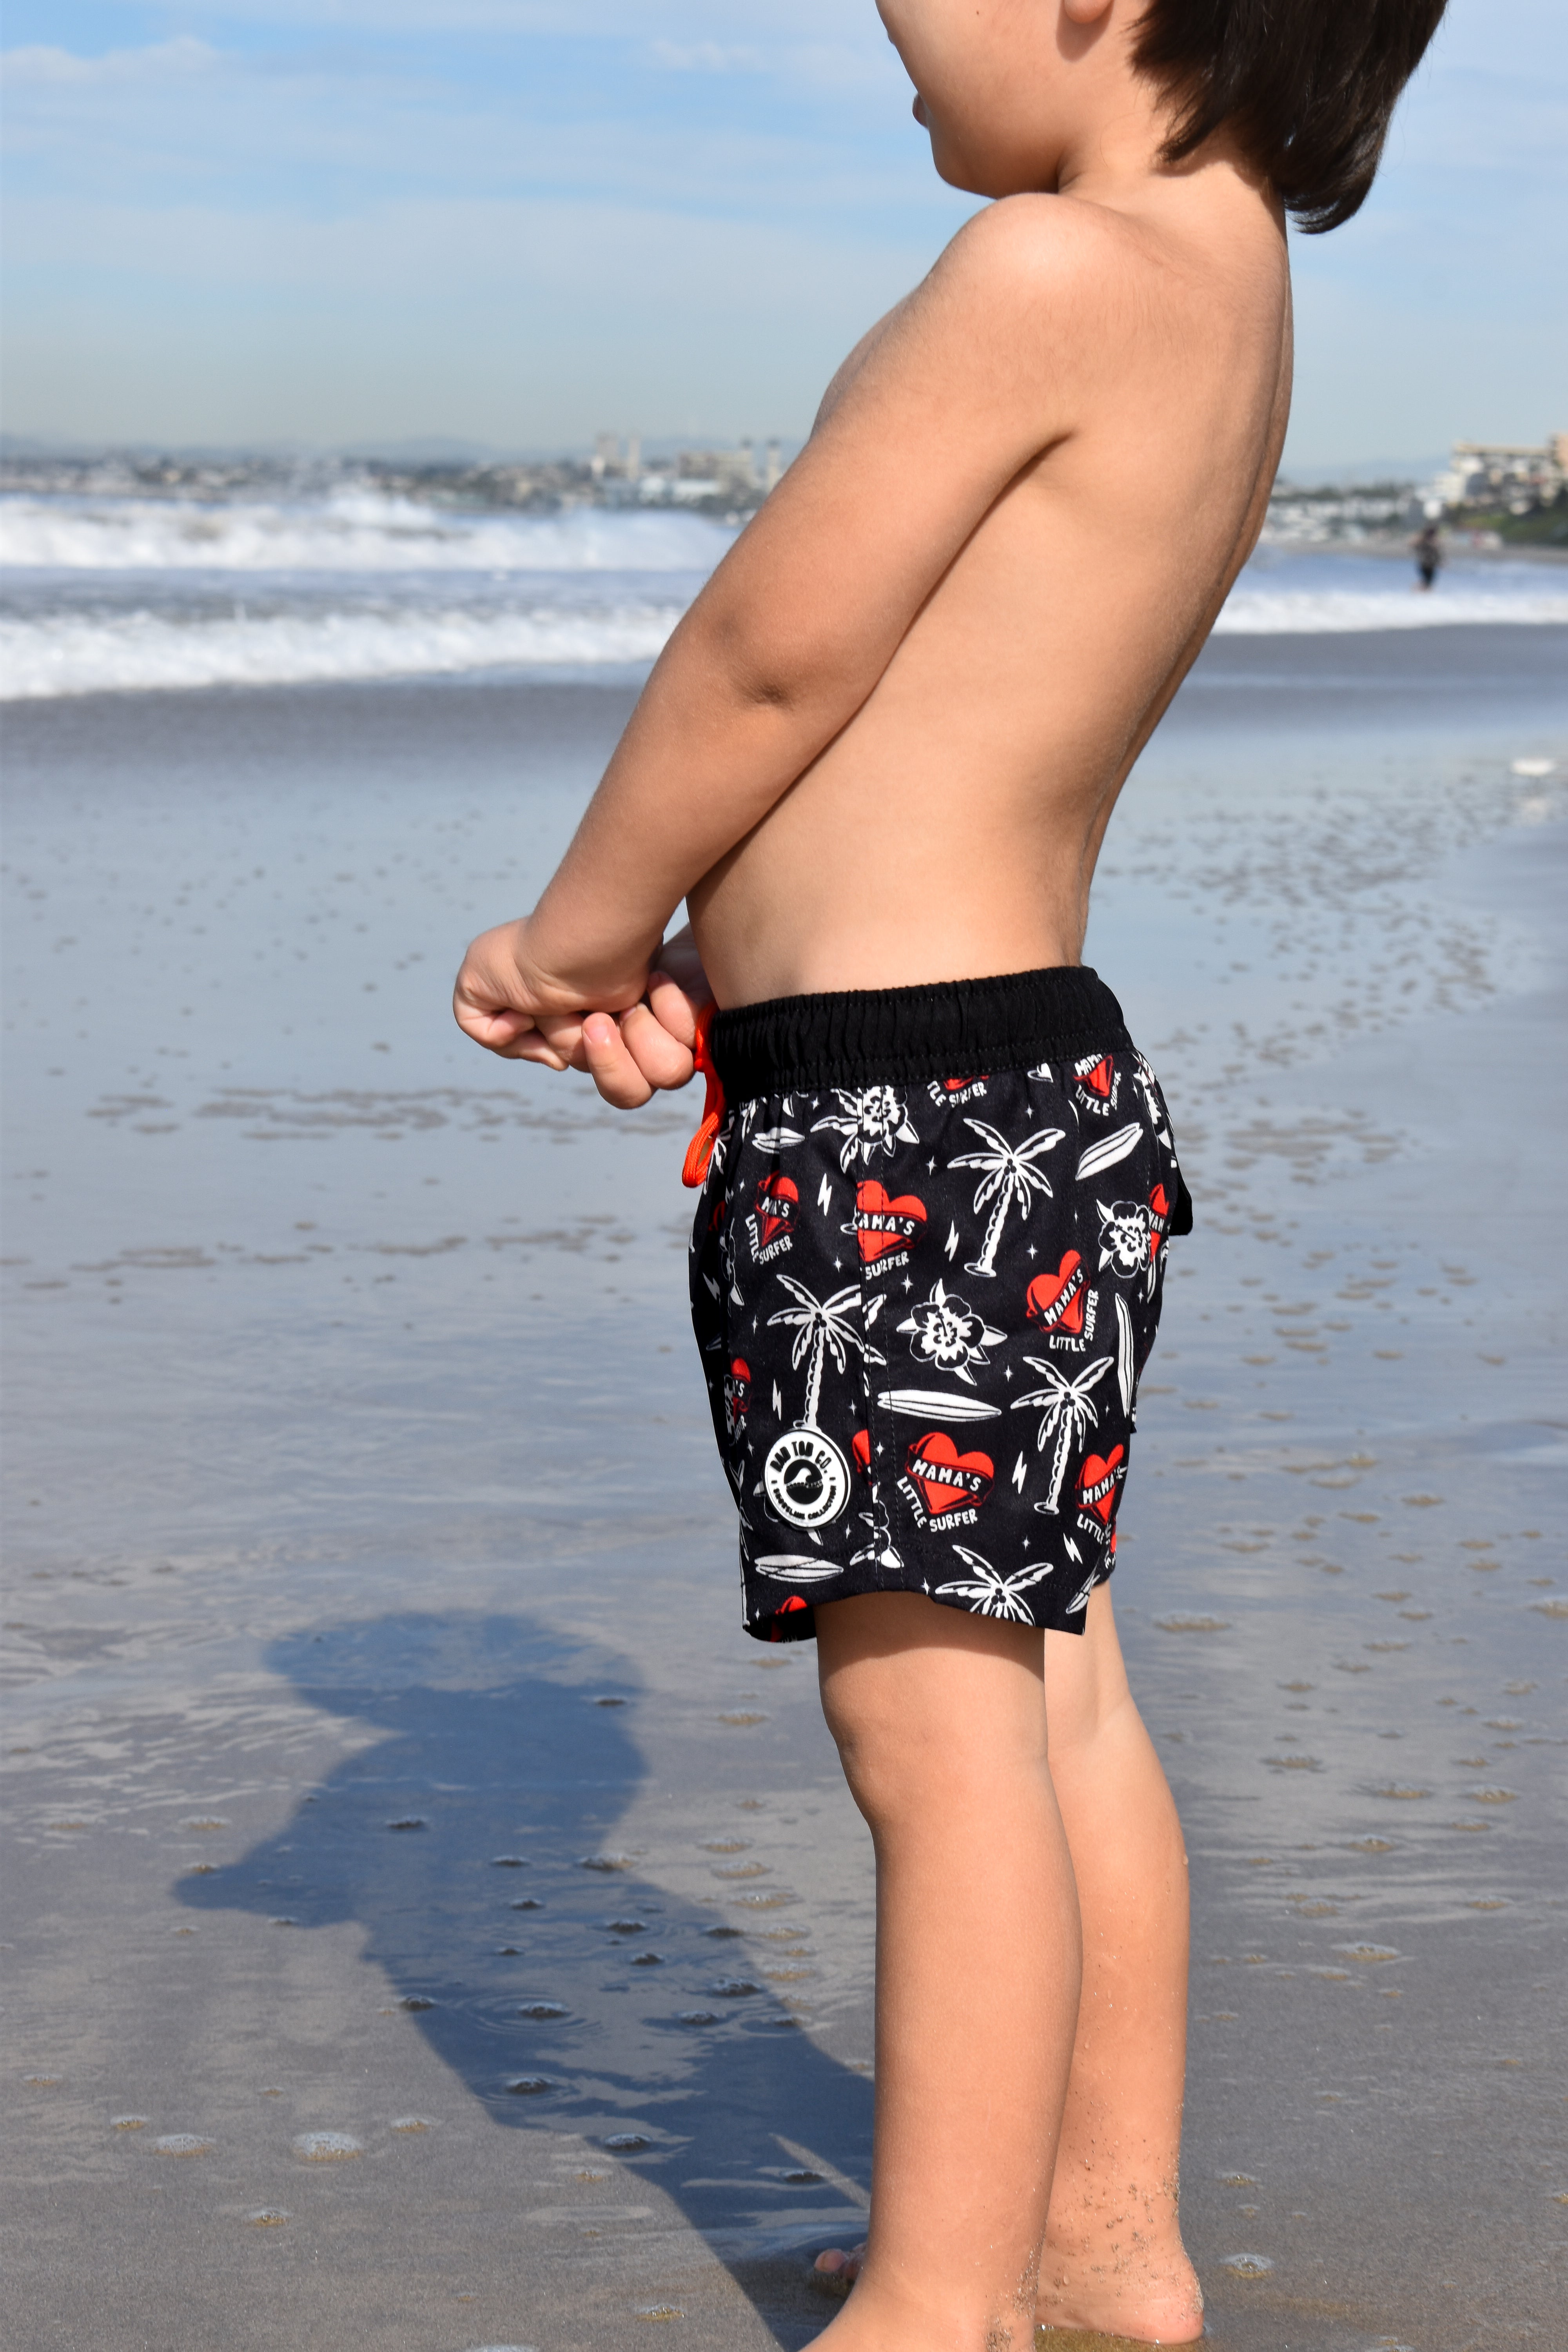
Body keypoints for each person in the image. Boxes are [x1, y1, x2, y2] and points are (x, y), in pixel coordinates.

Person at [454, 4, 1448, 2342]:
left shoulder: (1044, 271)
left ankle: (935, 2303)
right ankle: (1097, 2241)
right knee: (1051, 1687)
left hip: (899, 1136)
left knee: (937, 1738)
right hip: (1025, 1093)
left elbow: (775, 655)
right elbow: (937, 717)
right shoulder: (1221, 286)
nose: (880, 28)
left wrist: (580, 927)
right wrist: (732, 938)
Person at [1414, 519, 1444, 589]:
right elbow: (1415, 547)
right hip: (1424, 564)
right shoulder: (1422, 540)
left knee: (1429, 582)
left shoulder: (1435, 542)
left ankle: (1423, 593)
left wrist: (1441, 562)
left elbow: (1438, 554)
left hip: (1431, 564)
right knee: (1427, 582)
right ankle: (1419, 591)